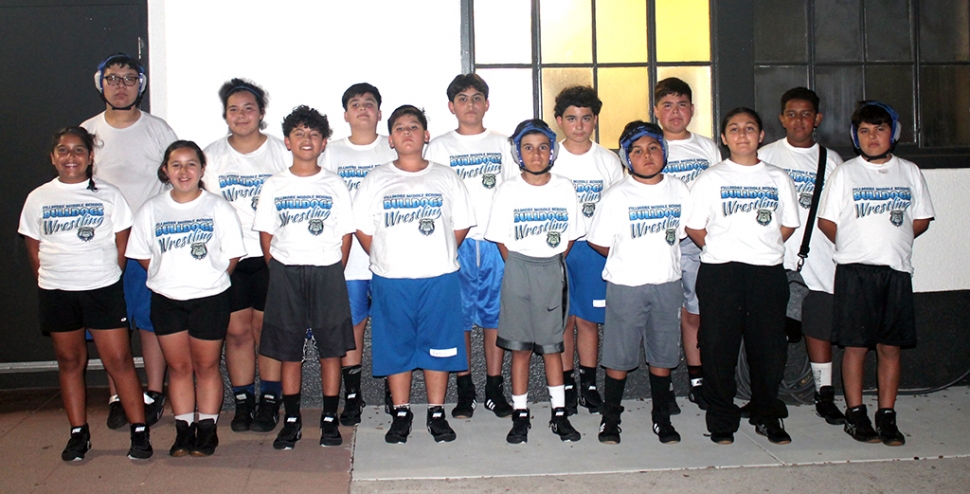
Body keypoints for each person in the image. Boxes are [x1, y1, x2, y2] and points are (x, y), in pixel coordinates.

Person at [19, 126, 153, 461]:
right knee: (69, 361)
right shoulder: (38, 198)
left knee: (119, 361)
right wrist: (49, 278)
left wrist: (104, 274)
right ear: (53, 157)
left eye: (78, 150)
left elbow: (123, 244)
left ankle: (139, 430)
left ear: (90, 157)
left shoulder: (109, 195)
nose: (71, 157)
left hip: (102, 289)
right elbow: (33, 246)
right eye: (63, 150)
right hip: (57, 292)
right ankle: (79, 433)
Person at [354, 105, 475, 444]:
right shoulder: (376, 179)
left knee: (439, 346)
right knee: (397, 347)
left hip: (439, 277)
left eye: (414, 126)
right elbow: (364, 230)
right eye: (400, 128)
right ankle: (402, 412)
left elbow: (461, 224)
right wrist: (387, 256)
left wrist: (436, 252)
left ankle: (436, 413)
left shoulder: (446, 177)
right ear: (390, 139)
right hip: (392, 279)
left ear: (426, 135)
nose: (407, 132)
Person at [817, 101, 935, 447]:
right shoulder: (846, 173)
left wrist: (891, 243)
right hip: (855, 272)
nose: (873, 137)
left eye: (880, 129)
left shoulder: (909, 171)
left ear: (893, 134)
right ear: (856, 136)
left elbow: (922, 219)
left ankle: (887, 414)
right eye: (865, 131)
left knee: (890, 347)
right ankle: (856, 413)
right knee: (855, 346)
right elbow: (827, 221)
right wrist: (858, 245)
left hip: (895, 272)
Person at [684, 108, 799, 445]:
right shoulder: (710, 179)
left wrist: (759, 247)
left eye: (750, 128)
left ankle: (767, 414)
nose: (743, 134)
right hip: (721, 272)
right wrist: (723, 248)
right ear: (723, 138)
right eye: (734, 129)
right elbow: (694, 226)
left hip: (766, 272)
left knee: (768, 349)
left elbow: (788, 224)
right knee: (718, 348)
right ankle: (721, 419)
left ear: (761, 135)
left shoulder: (778, 178)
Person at [126, 141, 246, 457]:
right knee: (178, 368)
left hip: (210, 298)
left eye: (191, 164)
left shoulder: (218, 207)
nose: (184, 171)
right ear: (165, 170)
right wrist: (169, 277)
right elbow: (141, 255)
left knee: (206, 366)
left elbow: (232, 256)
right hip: (166, 299)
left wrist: (209, 278)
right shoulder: (152, 209)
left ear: (202, 169)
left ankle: (206, 430)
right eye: (176, 164)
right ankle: (183, 430)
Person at [82, 53, 177, 429]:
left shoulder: (158, 129)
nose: (120, 85)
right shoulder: (87, 131)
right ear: (100, 83)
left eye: (129, 78)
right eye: (112, 78)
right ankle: (119, 394)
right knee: (112, 326)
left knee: (152, 321)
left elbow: (176, 182)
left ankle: (154, 392)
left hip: (149, 247)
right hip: (104, 249)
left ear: (141, 84)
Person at [253, 105, 356, 450]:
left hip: (327, 271)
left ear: (324, 142)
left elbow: (345, 234)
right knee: (288, 352)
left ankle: (329, 418)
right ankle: (292, 419)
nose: (306, 139)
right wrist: (280, 267)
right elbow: (266, 235)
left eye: (313, 134)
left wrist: (331, 268)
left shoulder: (334, 183)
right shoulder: (274, 184)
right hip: (285, 273)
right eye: (299, 133)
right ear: (287, 141)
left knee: (331, 351)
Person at [586, 121, 691, 445]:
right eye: (637, 151)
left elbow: (683, 232)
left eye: (653, 148)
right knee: (618, 357)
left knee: (662, 356)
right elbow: (599, 241)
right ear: (626, 157)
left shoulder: (679, 189)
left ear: (664, 152)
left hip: (666, 284)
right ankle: (611, 419)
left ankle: (661, 418)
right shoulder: (617, 195)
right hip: (626, 286)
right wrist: (627, 257)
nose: (647, 156)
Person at [485, 119, 585, 444]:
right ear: (518, 153)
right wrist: (520, 264)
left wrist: (549, 261)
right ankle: (520, 415)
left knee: (553, 347)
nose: (536, 154)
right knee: (521, 349)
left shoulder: (565, 188)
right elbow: (500, 239)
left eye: (543, 147)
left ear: (552, 151)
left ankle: (559, 414)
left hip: (552, 269)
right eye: (528, 148)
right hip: (518, 269)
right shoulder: (508, 189)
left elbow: (569, 238)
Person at [425, 74, 517, 419]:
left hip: (495, 243)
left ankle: (495, 387)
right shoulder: (439, 148)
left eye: (477, 98)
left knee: (496, 318)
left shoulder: (503, 144)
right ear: (451, 106)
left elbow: (512, 194)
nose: (470, 105)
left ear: (487, 104)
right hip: (455, 243)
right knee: (459, 319)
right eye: (462, 99)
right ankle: (465, 388)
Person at [203, 78, 288, 433]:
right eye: (233, 109)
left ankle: (270, 400)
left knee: (267, 330)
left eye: (248, 108)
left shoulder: (282, 151)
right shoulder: (210, 156)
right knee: (236, 332)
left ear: (262, 113)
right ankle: (243, 400)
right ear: (225, 115)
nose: (241, 115)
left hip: (273, 255)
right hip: (231, 259)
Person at [757, 87, 845, 425]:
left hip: (819, 258)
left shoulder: (832, 160)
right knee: (769, 331)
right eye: (791, 114)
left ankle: (824, 394)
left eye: (806, 114)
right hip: (774, 256)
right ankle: (766, 394)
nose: (798, 120)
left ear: (817, 119)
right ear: (781, 119)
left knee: (818, 328)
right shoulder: (767, 155)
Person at [319, 83, 397, 425]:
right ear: (346, 115)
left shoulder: (393, 147)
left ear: (380, 114)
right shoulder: (332, 153)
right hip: (348, 259)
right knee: (352, 327)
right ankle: (353, 395)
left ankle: (397, 393)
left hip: (392, 257)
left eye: (369, 104)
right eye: (355, 104)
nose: (363, 108)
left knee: (392, 324)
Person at [551, 86, 623, 415]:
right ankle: (565, 383)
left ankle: (589, 383)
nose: (578, 125)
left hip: (595, 249)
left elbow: (618, 207)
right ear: (559, 121)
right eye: (571, 118)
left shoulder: (608, 161)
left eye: (585, 118)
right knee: (563, 320)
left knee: (590, 321)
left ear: (594, 120)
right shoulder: (549, 156)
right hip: (560, 250)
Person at [654, 77, 722, 412]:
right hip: (659, 242)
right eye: (667, 105)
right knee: (664, 314)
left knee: (697, 311)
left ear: (692, 110)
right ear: (656, 111)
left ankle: (698, 379)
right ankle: (662, 385)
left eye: (681, 105)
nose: (675, 112)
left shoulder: (707, 147)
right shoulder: (649, 145)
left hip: (699, 242)